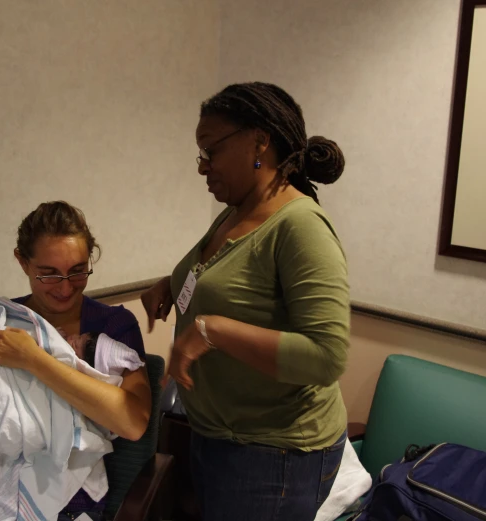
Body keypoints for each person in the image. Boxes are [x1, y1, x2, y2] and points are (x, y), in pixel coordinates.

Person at [141, 82, 350, 521]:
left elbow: (326, 357)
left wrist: (213, 330)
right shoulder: (236, 210)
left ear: (259, 140)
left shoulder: (300, 227)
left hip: (273, 454)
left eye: (210, 150)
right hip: (217, 435)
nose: (202, 167)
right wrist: (171, 283)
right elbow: (227, 277)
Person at [0, 201, 151, 521]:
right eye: (49, 275)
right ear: (22, 262)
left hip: (69, 501)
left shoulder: (113, 327)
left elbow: (133, 423)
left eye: (78, 271)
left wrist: (34, 360)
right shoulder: (1, 321)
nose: (66, 288)